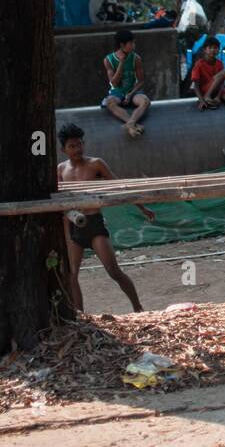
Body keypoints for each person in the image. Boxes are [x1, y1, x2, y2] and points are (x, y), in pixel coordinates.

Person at [56, 123, 154, 314]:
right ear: (63, 149)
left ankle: (138, 307)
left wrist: (142, 207)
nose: (77, 149)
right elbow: (61, 205)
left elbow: (119, 186)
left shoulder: (96, 164)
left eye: (79, 144)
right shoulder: (61, 169)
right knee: (72, 275)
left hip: (94, 224)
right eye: (72, 146)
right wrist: (67, 235)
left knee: (113, 271)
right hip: (74, 226)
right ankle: (81, 316)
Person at [103, 28, 151, 138]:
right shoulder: (108, 60)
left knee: (145, 101)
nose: (134, 45)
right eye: (131, 43)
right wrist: (121, 63)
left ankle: (130, 123)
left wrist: (131, 93)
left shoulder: (136, 58)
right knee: (109, 102)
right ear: (122, 45)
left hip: (133, 91)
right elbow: (114, 83)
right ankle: (132, 124)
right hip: (117, 92)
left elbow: (141, 81)